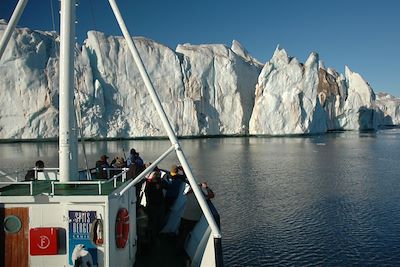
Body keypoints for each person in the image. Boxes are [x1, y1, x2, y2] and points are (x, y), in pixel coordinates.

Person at [176, 182, 214, 254]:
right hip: (193, 218)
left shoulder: (189, 195)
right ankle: (179, 250)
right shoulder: (202, 198)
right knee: (185, 234)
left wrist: (195, 186)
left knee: (181, 232)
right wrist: (206, 188)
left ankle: (177, 247)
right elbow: (212, 195)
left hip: (184, 216)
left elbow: (188, 192)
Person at [144, 170, 165, 245]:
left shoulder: (149, 185)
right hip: (157, 205)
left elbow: (147, 194)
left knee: (153, 222)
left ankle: (152, 237)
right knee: (157, 222)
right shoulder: (158, 184)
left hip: (152, 205)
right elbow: (166, 186)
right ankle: (154, 237)